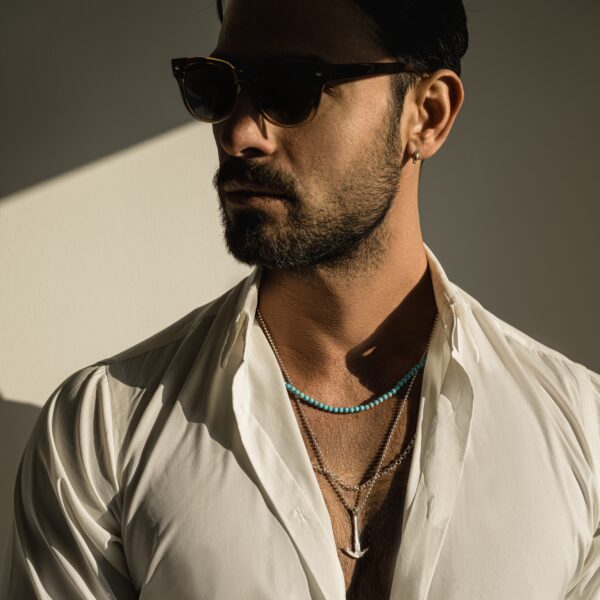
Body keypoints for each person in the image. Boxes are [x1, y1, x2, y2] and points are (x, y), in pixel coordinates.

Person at [2, 0, 600, 598]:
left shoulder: (583, 434)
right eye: (217, 87)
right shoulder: (102, 431)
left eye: (290, 89)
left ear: (427, 115)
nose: (237, 134)